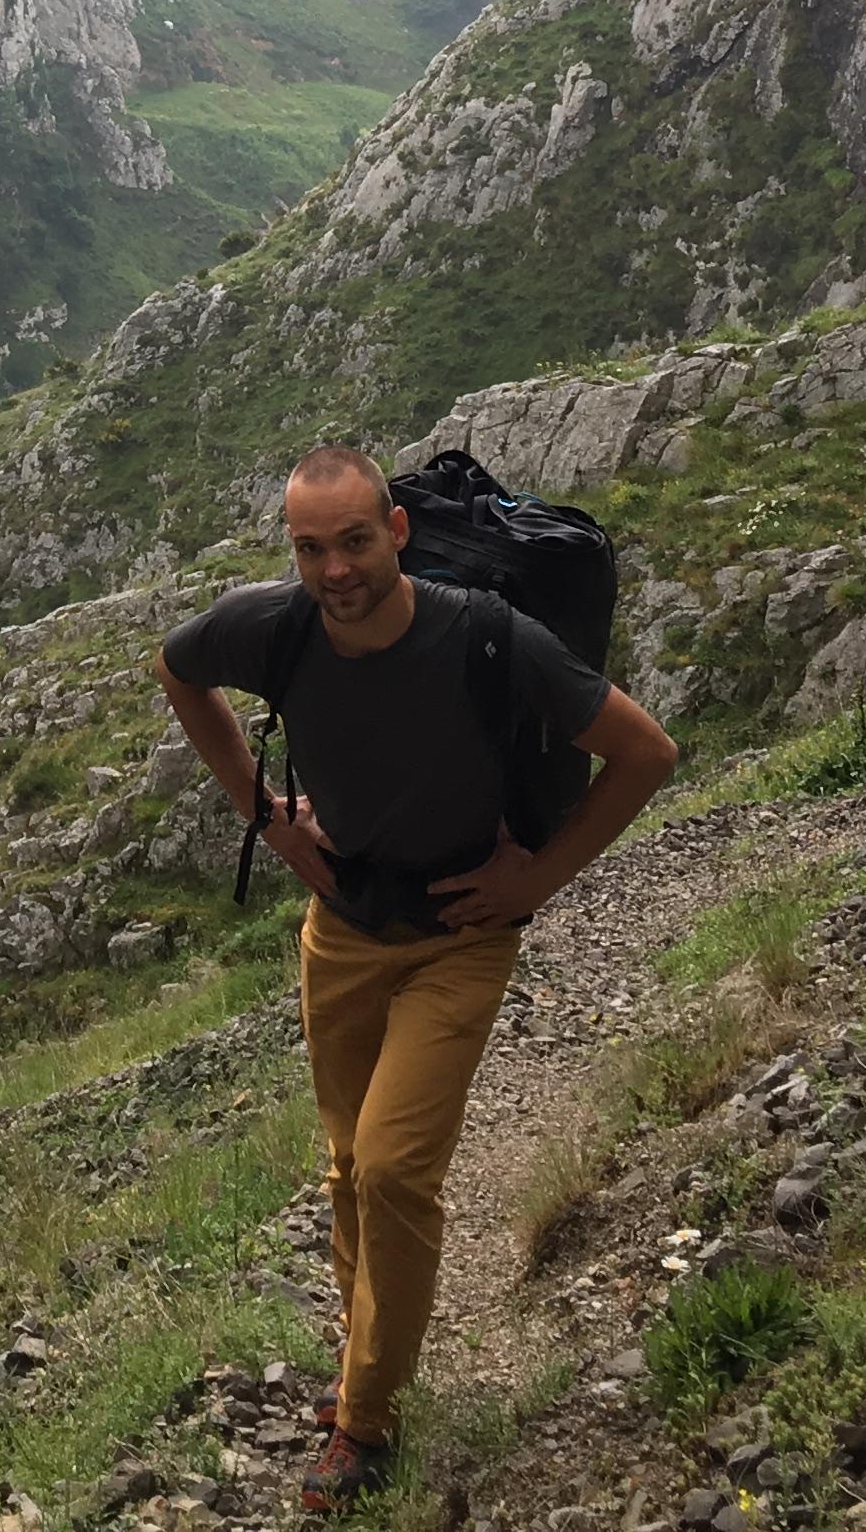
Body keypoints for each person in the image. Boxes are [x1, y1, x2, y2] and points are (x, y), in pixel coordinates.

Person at [152, 445, 677, 1514]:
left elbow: (646, 753)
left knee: (392, 1170)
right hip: (340, 929)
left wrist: (539, 874)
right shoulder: (276, 627)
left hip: (458, 934)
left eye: (353, 541)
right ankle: (365, 1362)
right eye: (311, 548)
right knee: (349, 1169)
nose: (335, 569)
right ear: (290, 550)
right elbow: (179, 669)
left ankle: (368, 1421)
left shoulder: (485, 634)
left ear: (395, 532)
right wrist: (264, 812)